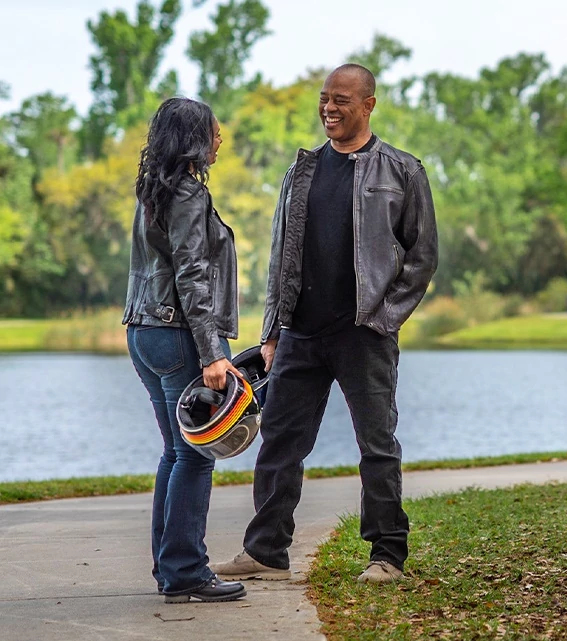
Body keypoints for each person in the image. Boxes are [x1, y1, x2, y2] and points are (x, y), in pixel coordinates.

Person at [214, 64, 438, 584]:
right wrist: (271, 331)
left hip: (365, 335)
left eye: (340, 99)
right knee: (279, 444)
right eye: (324, 99)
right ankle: (266, 551)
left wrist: (384, 319)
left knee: (377, 446)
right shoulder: (301, 171)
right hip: (299, 334)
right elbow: (281, 258)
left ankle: (387, 556)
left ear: (368, 105)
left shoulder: (402, 172)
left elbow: (421, 259)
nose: (329, 109)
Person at [122, 97, 246, 604]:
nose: (221, 137)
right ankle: (187, 571)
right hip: (176, 335)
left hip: (143, 331)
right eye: (214, 130)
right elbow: (193, 275)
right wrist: (213, 351)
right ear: (196, 136)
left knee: (176, 452)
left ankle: (170, 568)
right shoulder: (189, 193)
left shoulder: (153, 189)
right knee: (197, 456)